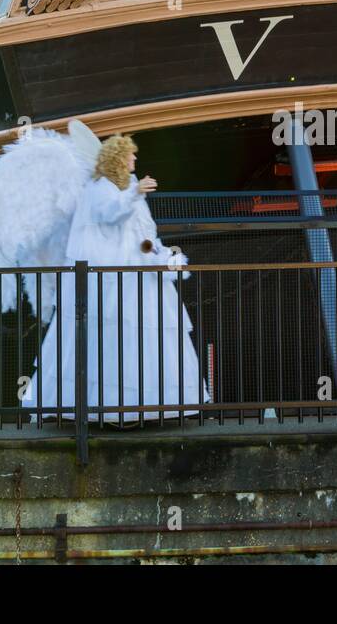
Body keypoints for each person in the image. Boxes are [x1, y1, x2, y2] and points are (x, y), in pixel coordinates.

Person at [21, 133, 208, 423]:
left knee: (139, 338)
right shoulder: (99, 189)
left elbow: (142, 234)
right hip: (109, 281)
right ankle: (110, 407)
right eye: (131, 155)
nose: (135, 159)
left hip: (136, 275)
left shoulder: (129, 187)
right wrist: (135, 194)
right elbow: (111, 214)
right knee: (113, 339)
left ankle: (140, 405)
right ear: (118, 159)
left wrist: (159, 254)